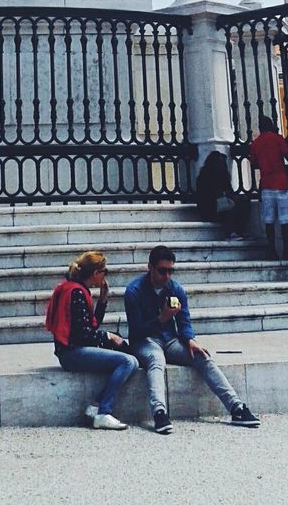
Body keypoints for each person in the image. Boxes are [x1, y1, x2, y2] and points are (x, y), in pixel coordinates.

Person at [124, 245, 260, 434]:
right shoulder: (134, 291)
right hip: (145, 341)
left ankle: (236, 408)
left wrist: (190, 340)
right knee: (156, 360)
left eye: (171, 271)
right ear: (150, 268)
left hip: (170, 339)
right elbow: (136, 331)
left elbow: (184, 321)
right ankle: (159, 413)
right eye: (162, 271)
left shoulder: (175, 288)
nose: (167, 276)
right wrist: (161, 318)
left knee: (202, 356)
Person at [45, 250, 138, 430]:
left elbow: (90, 326)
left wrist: (103, 300)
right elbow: (83, 335)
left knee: (132, 362)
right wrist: (109, 336)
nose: (105, 275)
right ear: (96, 273)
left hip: (72, 351)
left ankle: (95, 407)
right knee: (127, 361)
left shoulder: (75, 288)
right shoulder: (77, 292)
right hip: (72, 353)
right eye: (104, 271)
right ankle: (103, 412)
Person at [248, 114, 288, 259]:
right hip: (281, 182)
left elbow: (254, 163)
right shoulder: (277, 139)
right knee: (285, 219)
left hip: (266, 184)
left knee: (269, 220)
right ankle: (286, 250)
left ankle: (272, 250)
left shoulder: (256, 143)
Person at [195, 149, 250, 238]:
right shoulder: (205, 177)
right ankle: (232, 233)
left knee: (243, 201)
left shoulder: (223, 176)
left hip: (220, 205)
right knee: (231, 209)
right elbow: (205, 198)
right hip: (209, 209)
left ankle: (238, 231)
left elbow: (229, 191)